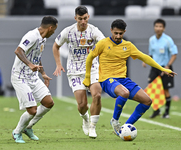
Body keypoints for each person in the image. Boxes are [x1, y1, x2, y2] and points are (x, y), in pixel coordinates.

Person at [83, 19, 177, 137]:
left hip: (123, 79)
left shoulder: (128, 46)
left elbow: (145, 57)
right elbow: (90, 58)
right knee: (124, 93)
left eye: (120, 33)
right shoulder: (103, 43)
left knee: (147, 101)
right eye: (115, 33)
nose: (118, 36)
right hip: (107, 80)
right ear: (111, 30)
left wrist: (163, 69)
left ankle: (125, 128)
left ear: (124, 32)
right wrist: (87, 77)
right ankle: (115, 121)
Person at [52, 6, 105, 138]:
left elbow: (104, 45)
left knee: (97, 95)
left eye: (85, 18)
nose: (83, 21)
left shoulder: (94, 31)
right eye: (80, 19)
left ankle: (93, 127)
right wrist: (58, 64)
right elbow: (56, 46)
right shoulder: (68, 31)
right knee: (82, 105)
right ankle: (85, 118)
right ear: (75, 18)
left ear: (88, 17)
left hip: (92, 69)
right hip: (74, 71)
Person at [11, 16, 58, 143]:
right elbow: (19, 51)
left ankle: (28, 127)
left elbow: (37, 56)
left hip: (33, 76)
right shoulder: (32, 35)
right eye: (54, 30)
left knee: (48, 103)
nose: (54, 32)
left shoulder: (43, 39)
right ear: (50, 28)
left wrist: (42, 73)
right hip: (20, 77)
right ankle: (17, 132)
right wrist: (30, 65)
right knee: (32, 110)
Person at [142, 19, 178, 119]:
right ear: (154, 27)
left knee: (166, 90)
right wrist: (145, 60)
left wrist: (167, 66)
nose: (158, 28)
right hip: (155, 67)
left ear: (164, 28)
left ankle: (166, 113)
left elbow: (174, 54)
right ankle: (156, 110)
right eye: (156, 26)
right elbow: (151, 54)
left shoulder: (168, 40)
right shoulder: (151, 40)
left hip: (165, 67)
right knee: (151, 88)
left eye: (160, 26)